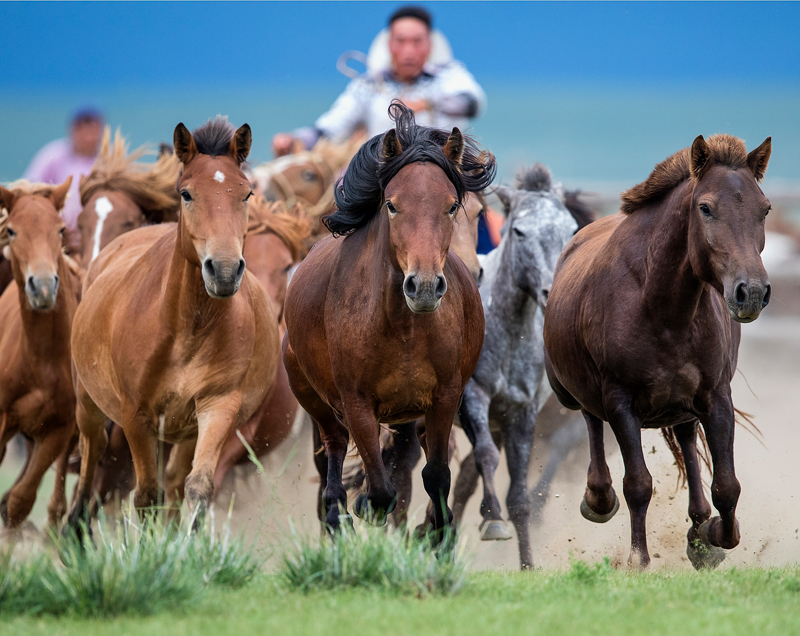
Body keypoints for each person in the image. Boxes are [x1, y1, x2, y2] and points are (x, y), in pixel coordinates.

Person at [272, 6, 486, 156]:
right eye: (401, 41)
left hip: (445, 173)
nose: (408, 51)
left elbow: (471, 103)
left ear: (429, 44)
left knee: (477, 211)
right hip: (383, 174)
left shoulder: (449, 74)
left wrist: (427, 103)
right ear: (389, 44)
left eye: (417, 41)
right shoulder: (368, 85)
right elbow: (330, 127)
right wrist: (294, 140)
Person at [24, 106, 104, 233]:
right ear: (73, 130)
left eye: (93, 131)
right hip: (56, 232)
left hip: (99, 233)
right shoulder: (52, 155)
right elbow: (29, 189)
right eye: (83, 130)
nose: (88, 137)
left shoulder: (109, 158)